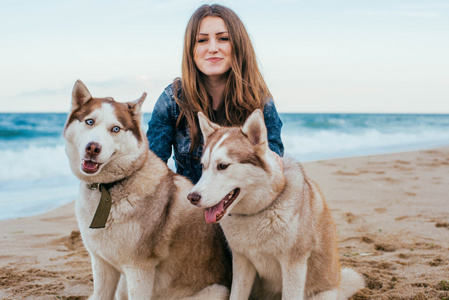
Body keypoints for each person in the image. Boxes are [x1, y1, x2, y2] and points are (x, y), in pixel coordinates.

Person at [147, 4, 284, 184]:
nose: (212, 48)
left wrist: (271, 158)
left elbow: (272, 161)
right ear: (191, 50)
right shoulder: (172, 100)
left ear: (238, 45)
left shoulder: (258, 98)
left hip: (241, 204)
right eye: (202, 40)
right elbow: (151, 167)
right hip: (191, 202)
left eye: (223, 38)